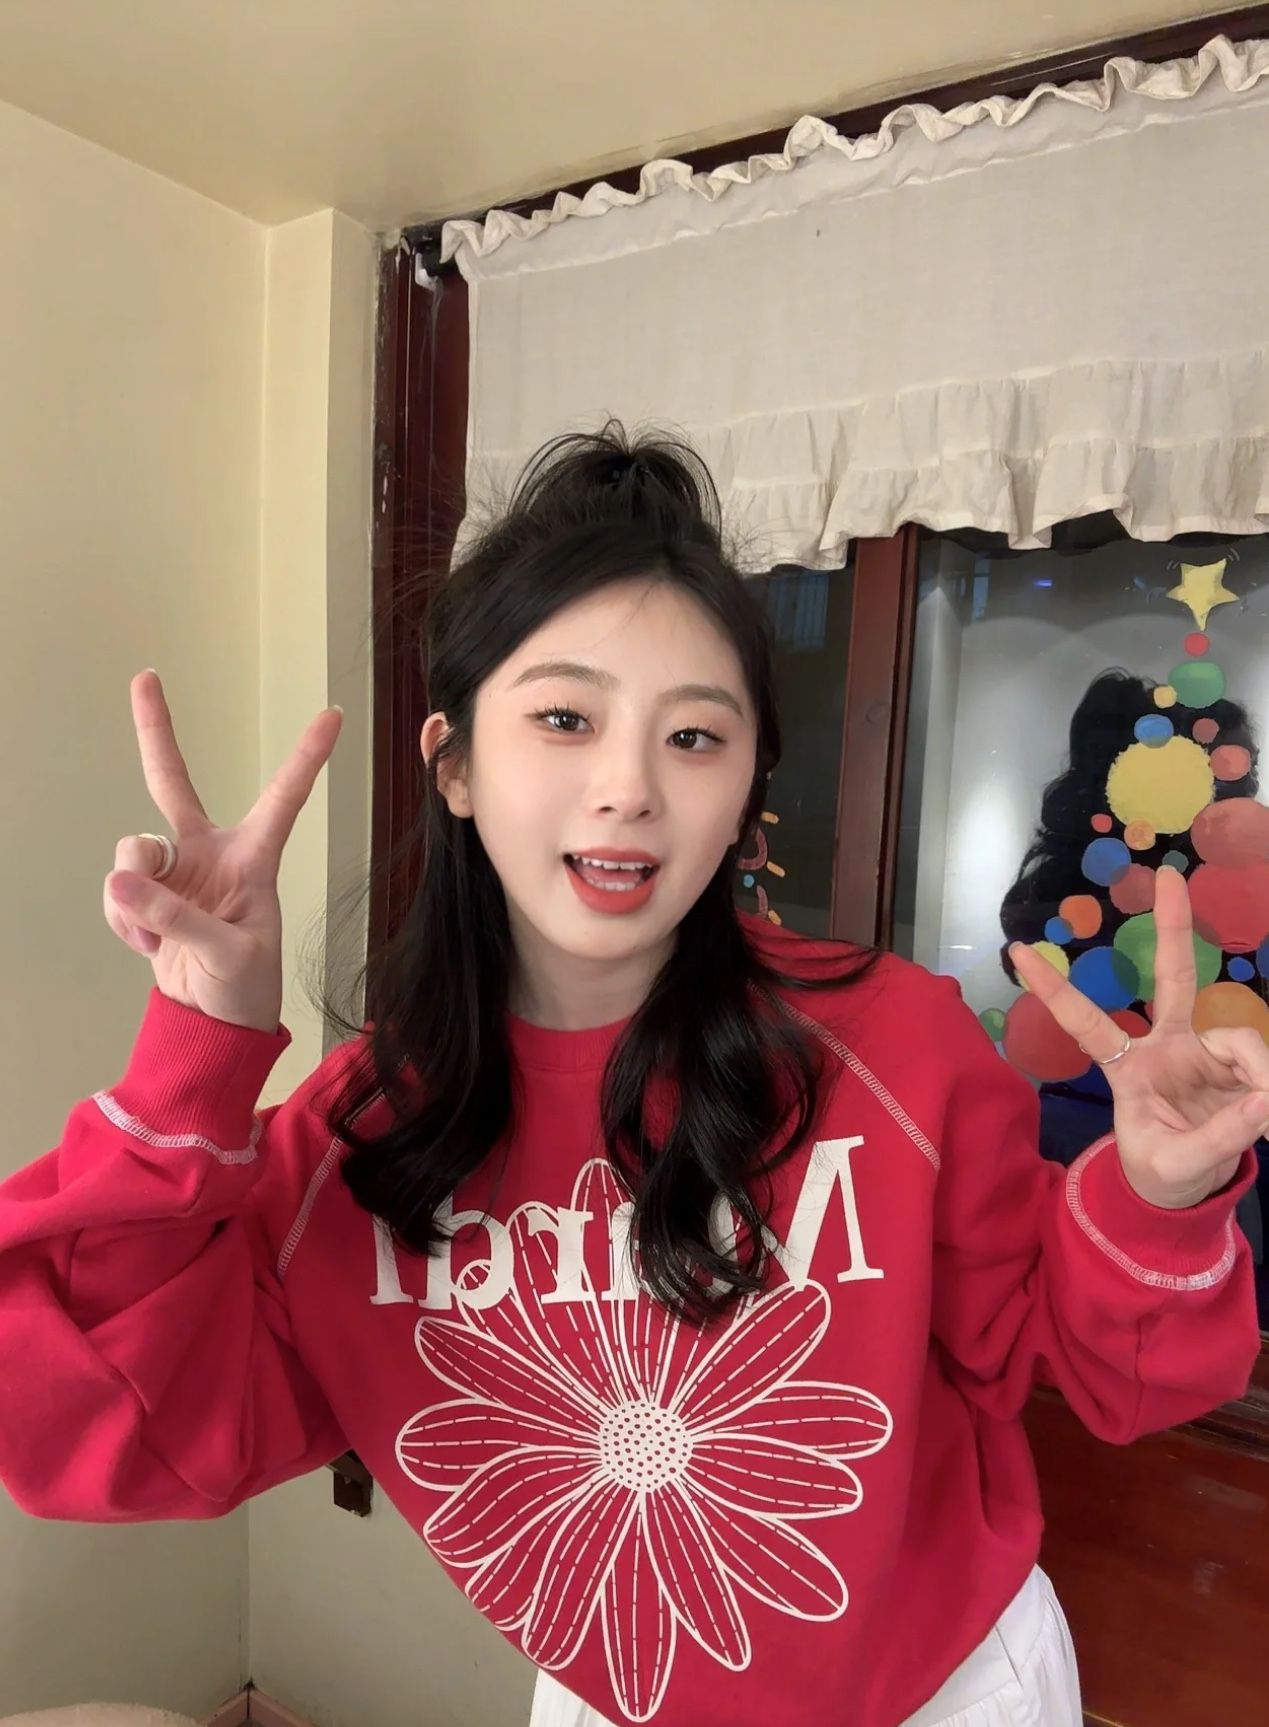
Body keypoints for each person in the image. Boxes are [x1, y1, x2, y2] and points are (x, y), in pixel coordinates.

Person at [0, 429, 1264, 1727]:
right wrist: (195, 1053)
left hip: (949, 1695)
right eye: (564, 719)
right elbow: (96, 1434)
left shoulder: (891, 1047)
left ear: (747, 787)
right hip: (616, 1694)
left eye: (695, 737)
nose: (628, 790)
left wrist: (1161, 1197)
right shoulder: (361, 1146)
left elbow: (1115, 1373)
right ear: (453, 763)